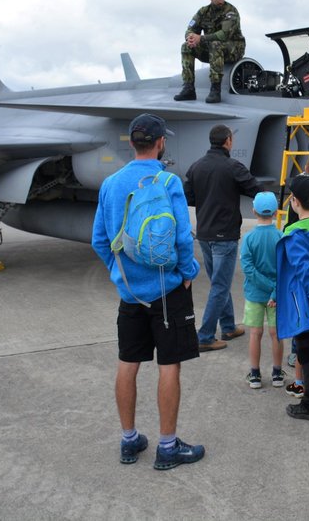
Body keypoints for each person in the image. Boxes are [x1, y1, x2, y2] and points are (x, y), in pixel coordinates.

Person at [91, 114, 205, 471]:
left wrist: (119, 273)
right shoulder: (168, 181)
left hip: (130, 295)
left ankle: (129, 441)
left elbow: (99, 240)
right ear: (160, 143)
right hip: (168, 291)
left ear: (130, 142)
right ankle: (168, 447)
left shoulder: (110, 184)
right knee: (168, 365)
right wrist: (187, 273)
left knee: (128, 362)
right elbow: (184, 238)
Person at [184, 124, 262, 352]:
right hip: (225, 235)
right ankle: (205, 336)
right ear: (228, 141)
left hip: (205, 234)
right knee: (220, 285)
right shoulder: (232, 166)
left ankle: (228, 326)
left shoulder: (196, 166)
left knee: (220, 281)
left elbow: (189, 196)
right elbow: (255, 189)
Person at [276, 174, 309, 423]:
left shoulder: (294, 234)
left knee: (308, 354)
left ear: (294, 202)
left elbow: (304, 270)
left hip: (308, 306)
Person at [240, 191, 285, 389]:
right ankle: (277, 374)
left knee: (255, 333)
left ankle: (255, 374)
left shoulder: (249, 239)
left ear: (253, 211)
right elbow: (286, 268)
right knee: (276, 334)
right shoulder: (281, 237)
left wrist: (265, 286)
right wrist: (274, 289)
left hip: (254, 294)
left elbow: (248, 268)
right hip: (276, 296)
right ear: (276, 212)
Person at [174, 0, 245, 104]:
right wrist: (190, 38)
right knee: (186, 47)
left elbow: (224, 35)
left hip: (233, 49)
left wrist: (200, 38)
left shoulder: (231, 12)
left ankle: (215, 89)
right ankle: (188, 89)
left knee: (215, 44)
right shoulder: (203, 12)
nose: (221, 1)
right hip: (213, 51)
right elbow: (190, 28)